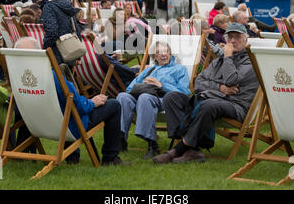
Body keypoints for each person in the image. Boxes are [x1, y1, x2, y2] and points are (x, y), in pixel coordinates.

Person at [154, 23, 259, 164]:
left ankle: (178, 149)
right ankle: (192, 150)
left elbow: (230, 79)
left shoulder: (251, 61)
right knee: (171, 97)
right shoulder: (219, 61)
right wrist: (220, 88)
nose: (233, 41)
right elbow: (199, 83)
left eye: (237, 37)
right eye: (230, 37)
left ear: (245, 39)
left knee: (207, 104)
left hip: (237, 105)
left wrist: (228, 56)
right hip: (214, 98)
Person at [14, 37, 129, 166]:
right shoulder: (51, 76)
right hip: (66, 127)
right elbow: (77, 105)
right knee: (114, 105)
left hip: (37, 125)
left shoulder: (16, 78)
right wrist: (92, 102)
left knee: (65, 108)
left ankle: (72, 156)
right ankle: (110, 158)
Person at [116, 40, 190, 159]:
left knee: (145, 98)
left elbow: (184, 92)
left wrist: (161, 85)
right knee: (122, 96)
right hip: (143, 97)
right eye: (159, 52)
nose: (164, 54)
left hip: (164, 99)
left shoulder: (180, 69)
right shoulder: (148, 70)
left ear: (170, 53)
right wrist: (143, 85)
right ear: (154, 56)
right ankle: (120, 139)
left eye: (166, 51)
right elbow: (130, 88)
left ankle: (152, 143)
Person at [38, 0, 81, 65]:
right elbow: (76, 30)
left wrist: (44, 48)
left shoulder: (48, 7)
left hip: (56, 55)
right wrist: (78, 56)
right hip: (71, 52)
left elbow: (52, 32)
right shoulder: (67, 5)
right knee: (66, 78)